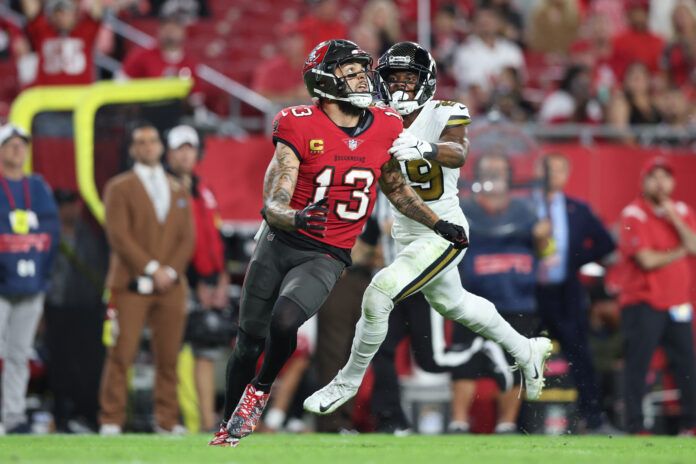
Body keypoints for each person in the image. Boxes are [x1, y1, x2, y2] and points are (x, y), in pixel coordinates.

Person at [208, 39, 469, 447]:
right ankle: (227, 426)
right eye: (351, 71)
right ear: (326, 79)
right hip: (279, 241)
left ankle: (259, 391)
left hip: (326, 253)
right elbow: (275, 195)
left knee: (285, 320)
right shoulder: (297, 123)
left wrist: (439, 224)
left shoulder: (385, 125)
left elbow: (397, 189)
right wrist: (292, 215)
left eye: (363, 69)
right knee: (248, 341)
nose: (363, 77)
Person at [304, 42, 551, 423]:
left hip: (443, 231)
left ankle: (347, 382)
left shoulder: (445, 112)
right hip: (406, 234)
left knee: (378, 293)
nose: (401, 87)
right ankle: (525, 350)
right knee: (456, 304)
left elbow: (458, 151)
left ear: (427, 81)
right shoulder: (375, 118)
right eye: (393, 79)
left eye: (409, 79)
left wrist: (425, 147)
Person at [99, 122, 195, 436]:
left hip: (170, 286)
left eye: (153, 141)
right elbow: (119, 236)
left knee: (168, 356)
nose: (148, 146)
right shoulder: (118, 187)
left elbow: (187, 238)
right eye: (141, 142)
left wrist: (169, 272)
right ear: (132, 149)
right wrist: (154, 269)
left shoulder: (178, 188)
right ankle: (111, 420)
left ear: (160, 146)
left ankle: (166, 420)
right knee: (121, 354)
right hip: (129, 283)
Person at [447, 153, 548, 434]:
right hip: (471, 300)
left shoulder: (526, 212)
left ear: (509, 178)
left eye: (499, 169)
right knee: (464, 363)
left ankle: (506, 425)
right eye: (488, 169)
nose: (493, 174)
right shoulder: (464, 209)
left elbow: (547, 253)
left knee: (514, 364)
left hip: (518, 301)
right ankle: (457, 423)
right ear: (478, 176)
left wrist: (544, 239)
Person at [535, 153, 616, 432]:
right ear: (537, 171)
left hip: (566, 293)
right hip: (529, 293)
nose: (551, 174)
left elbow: (606, 243)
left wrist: (574, 259)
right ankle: (516, 421)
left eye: (557, 169)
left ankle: (592, 418)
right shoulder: (525, 205)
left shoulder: (577, 209)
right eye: (547, 168)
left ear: (566, 175)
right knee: (519, 355)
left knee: (580, 356)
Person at [616, 157, 696, 435]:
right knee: (638, 365)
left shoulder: (681, 210)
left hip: (678, 303)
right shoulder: (633, 214)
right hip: (642, 302)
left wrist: (673, 216)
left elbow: (695, 245)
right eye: (654, 177)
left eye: (665, 177)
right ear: (643, 181)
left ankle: (691, 424)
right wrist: (679, 251)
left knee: (687, 365)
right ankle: (635, 425)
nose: (660, 183)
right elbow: (647, 260)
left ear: (673, 182)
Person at [165, 124, 228, 433]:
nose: (186, 154)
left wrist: (220, 277)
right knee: (173, 353)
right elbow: (171, 242)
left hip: (209, 281)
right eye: (180, 148)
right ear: (169, 153)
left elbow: (213, 238)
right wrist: (194, 281)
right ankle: (174, 420)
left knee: (205, 353)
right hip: (180, 282)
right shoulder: (163, 188)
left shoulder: (204, 189)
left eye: (190, 147)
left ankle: (205, 422)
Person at [0, 124, 60, 434]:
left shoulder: (37, 188)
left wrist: (42, 273)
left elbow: (52, 234)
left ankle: (12, 416)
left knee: (19, 354)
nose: (16, 149)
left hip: (30, 283)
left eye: (21, 144)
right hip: (1, 284)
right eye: (10, 144)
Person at [44, 189, 108, 433]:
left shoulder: (89, 234)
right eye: (63, 205)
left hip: (86, 308)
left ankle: (87, 415)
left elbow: (99, 268)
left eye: (71, 204)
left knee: (88, 364)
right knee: (59, 364)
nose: (68, 209)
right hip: (57, 307)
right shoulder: (49, 234)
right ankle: (60, 417)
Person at [22, 0, 104, 86]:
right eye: (58, 13)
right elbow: (31, 10)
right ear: (51, 16)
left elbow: (96, 12)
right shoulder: (43, 32)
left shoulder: (85, 31)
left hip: (79, 95)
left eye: (66, 13)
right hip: (47, 96)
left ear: (75, 14)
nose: (62, 18)